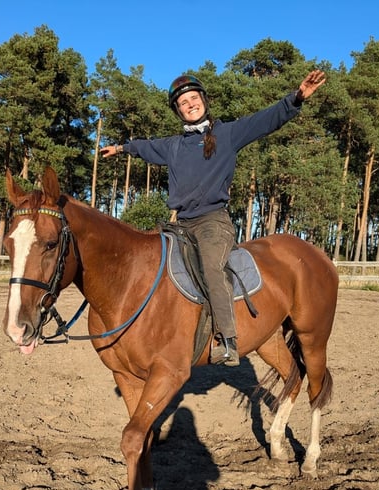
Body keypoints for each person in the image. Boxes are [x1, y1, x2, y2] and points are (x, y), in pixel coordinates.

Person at [100, 69, 326, 366]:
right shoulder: (173, 146)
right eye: (183, 103)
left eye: (194, 98)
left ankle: (227, 339)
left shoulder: (227, 134)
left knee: (211, 266)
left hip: (212, 223)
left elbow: (265, 120)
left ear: (204, 101)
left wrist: (296, 98)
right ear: (178, 111)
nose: (190, 104)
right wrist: (120, 148)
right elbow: (145, 146)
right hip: (180, 225)